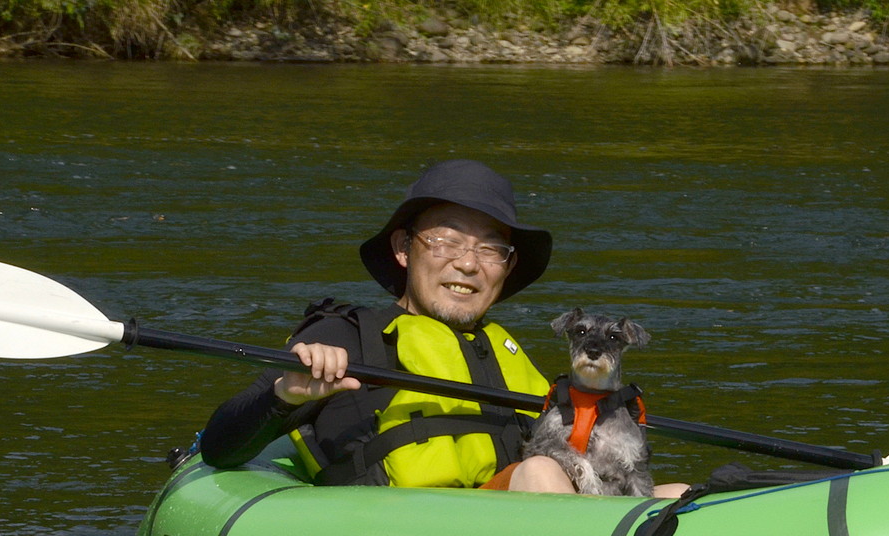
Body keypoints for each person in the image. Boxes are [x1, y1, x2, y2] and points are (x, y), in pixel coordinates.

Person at [201, 159, 684, 497]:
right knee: (540, 471)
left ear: (507, 267)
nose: (468, 264)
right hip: (418, 535)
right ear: (404, 249)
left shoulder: (504, 351)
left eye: (491, 249)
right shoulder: (348, 334)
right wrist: (285, 395)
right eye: (446, 241)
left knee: (680, 493)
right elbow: (222, 448)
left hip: (514, 516)